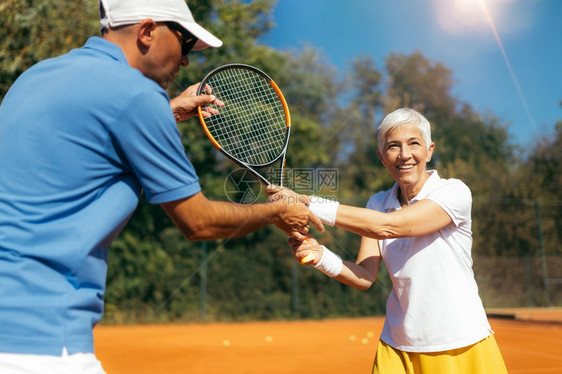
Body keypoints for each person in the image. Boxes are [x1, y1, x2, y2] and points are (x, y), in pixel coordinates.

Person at [0, 0, 322, 372]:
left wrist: (165, 112)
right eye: (184, 43)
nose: (185, 60)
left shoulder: (36, 76)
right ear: (147, 31)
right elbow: (198, 222)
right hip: (39, 338)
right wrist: (278, 211)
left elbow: (85, 142)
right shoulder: (136, 94)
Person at [269, 108, 508, 373]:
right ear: (381, 157)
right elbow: (364, 276)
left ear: (429, 151)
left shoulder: (454, 192)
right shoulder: (377, 203)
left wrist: (306, 204)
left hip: (459, 343)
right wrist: (321, 256)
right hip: (396, 346)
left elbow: (389, 227)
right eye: (393, 146)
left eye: (413, 143)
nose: (405, 155)